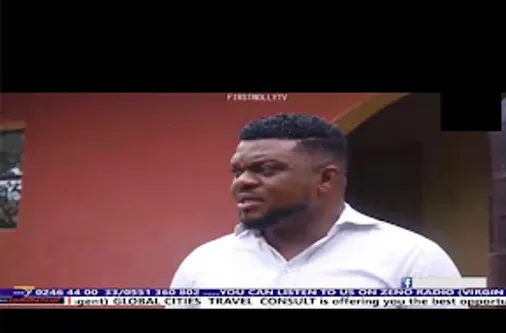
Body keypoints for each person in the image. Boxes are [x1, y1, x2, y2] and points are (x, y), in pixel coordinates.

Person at [170, 113, 461, 289]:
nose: (242, 182)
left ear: (326, 178)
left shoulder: (416, 259)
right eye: (237, 172)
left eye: (266, 169)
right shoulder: (203, 264)